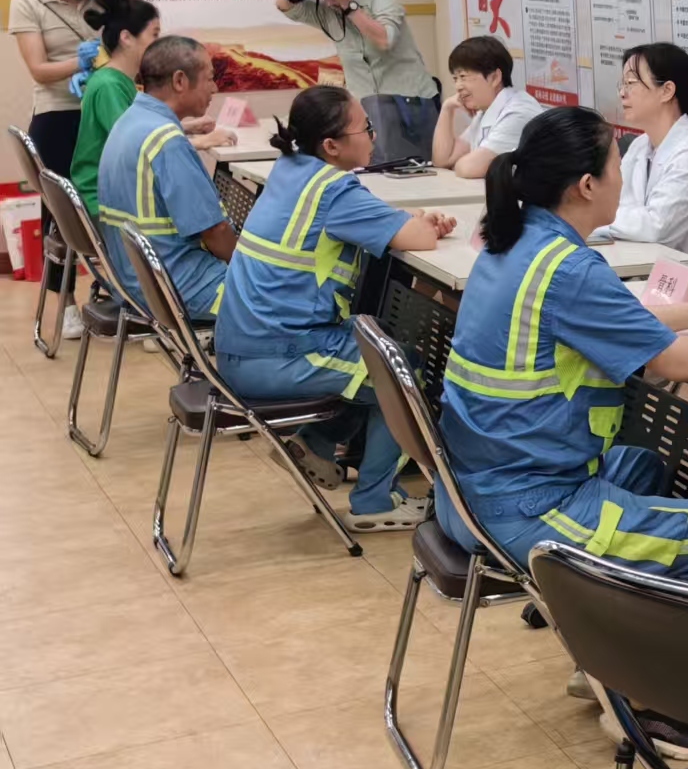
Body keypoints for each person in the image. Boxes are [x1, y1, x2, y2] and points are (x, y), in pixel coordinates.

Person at [434, 105, 688, 578]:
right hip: (529, 511)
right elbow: (677, 362)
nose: (622, 177)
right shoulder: (569, 269)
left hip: (466, 493)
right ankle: (613, 604)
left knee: (644, 467)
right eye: (617, 163)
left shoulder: (514, 240)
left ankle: (619, 587)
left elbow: (611, 322)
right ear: (587, 185)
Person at [215, 87, 458, 530]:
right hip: (278, 357)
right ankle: (375, 502)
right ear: (331, 145)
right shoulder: (334, 190)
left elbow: (379, 220)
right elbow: (418, 238)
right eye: (365, 128)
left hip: (247, 346)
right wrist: (424, 223)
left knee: (374, 340)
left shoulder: (292, 169)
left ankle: (317, 445)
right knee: (400, 369)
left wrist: (411, 220)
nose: (373, 135)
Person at [10, 0, 117, 339]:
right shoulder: (27, 1)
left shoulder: (101, 2)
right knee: (61, 212)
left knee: (113, 204)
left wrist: (102, 63)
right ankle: (66, 301)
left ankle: (117, 293)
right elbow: (38, 69)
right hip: (57, 115)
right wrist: (79, 63)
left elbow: (119, 50)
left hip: (100, 110)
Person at [96, 36, 234, 321]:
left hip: (135, 281)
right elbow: (215, 232)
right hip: (181, 287)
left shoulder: (129, 121)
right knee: (287, 299)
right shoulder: (167, 142)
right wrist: (251, 267)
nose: (215, 88)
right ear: (180, 81)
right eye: (210, 78)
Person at [274, 0, 439, 163]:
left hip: (411, 103)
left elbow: (384, 40)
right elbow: (283, 3)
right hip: (367, 109)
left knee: (421, 172)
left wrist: (347, 5)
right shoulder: (323, 9)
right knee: (372, 173)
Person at [69, 0, 234, 215]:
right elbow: (137, 146)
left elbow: (136, 130)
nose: (159, 43)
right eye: (154, 35)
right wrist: (203, 141)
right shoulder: (109, 85)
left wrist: (186, 127)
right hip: (104, 200)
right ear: (126, 38)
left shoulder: (119, 80)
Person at [592, 42, 688, 275]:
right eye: (622, 84)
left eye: (631, 83)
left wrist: (595, 217)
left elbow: (657, 227)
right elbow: (613, 202)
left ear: (666, 91)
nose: (622, 93)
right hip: (657, 270)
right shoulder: (640, 145)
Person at [430, 36, 543, 179]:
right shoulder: (485, 111)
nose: (458, 86)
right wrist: (447, 108)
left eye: (463, 77)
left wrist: (458, 164)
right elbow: (442, 160)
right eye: (455, 78)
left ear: (494, 78)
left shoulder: (518, 112)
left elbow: (469, 168)